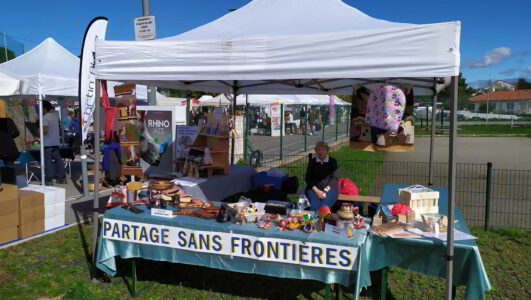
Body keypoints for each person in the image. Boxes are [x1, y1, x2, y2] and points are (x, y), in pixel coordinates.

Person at [304, 141, 340, 211]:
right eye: (319, 150)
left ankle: (324, 221)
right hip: (313, 188)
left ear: (327, 150)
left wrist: (325, 191)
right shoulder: (312, 162)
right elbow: (308, 178)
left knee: (323, 205)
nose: (321, 152)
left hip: (330, 188)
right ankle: (309, 220)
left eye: (323, 149)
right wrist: (317, 191)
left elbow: (334, 178)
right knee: (313, 206)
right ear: (316, 151)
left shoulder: (332, 161)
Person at [41, 100, 66, 185]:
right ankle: (62, 178)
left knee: (48, 162)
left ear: (44, 108)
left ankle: (49, 180)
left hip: (47, 143)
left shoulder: (45, 117)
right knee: (58, 160)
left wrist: (38, 131)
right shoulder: (55, 116)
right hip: (55, 142)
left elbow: (45, 131)